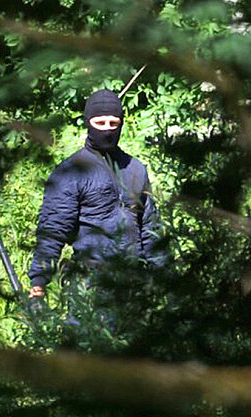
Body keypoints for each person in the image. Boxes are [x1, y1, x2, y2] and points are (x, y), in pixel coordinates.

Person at [28, 89, 166, 299]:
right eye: (100, 123)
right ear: (88, 123)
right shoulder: (71, 171)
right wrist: (38, 283)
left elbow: (150, 228)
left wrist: (167, 280)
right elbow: (53, 230)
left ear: (121, 123)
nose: (107, 130)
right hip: (90, 286)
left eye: (113, 123)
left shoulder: (136, 168)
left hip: (135, 285)